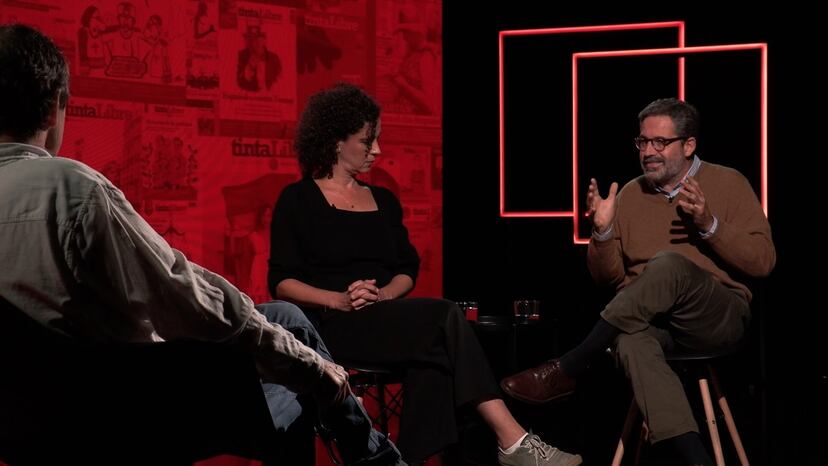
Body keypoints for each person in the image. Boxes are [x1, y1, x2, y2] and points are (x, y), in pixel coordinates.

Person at [0, 23, 403, 466]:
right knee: (295, 353)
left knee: (286, 326)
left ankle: (372, 451)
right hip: (121, 416)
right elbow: (182, 295)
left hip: (29, 425)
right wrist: (313, 370)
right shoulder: (71, 189)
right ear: (54, 108)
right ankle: (379, 457)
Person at [268, 82, 582, 466]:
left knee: (435, 359)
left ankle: (407, 461)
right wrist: (339, 299)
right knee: (444, 319)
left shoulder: (383, 199)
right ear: (336, 141)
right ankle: (513, 441)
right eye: (367, 141)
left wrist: (384, 294)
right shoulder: (298, 199)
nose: (377, 150)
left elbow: (407, 269)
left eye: (377, 140)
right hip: (333, 326)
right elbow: (282, 283)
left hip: (384, 317)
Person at [500, 98, 776, 466]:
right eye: (643, 142)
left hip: (716, 314)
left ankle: (571, 365)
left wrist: (709, 225)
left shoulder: (728, 182)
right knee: (630, 341)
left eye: (660, 142)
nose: (648, 152)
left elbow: (763, 262)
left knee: (668, 264)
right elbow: (609, 278)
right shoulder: (631, 194)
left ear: (688, 145)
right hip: (655, 322)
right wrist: (602, 233)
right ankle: (697, 461)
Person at [237, 24, 282, 92]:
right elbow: (239, 82)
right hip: (249, 95)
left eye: (257, 39)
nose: (253, 43)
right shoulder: (241, 56)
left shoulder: (273, 58)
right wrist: (250, 67)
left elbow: (280, 79)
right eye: (250, 39)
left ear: (264, 40)